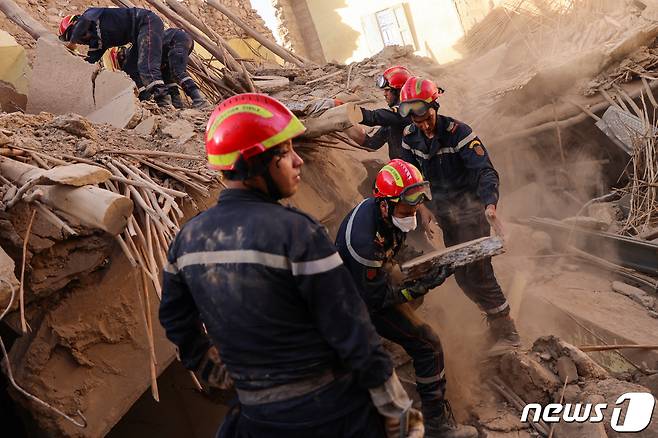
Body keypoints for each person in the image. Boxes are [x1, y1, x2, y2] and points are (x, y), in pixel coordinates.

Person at [159, 93, 423, 438]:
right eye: (285, 152)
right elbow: (351, 328)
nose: (298, 161)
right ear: (255, 163)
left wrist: (222, 379)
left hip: (255, 417)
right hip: (328, 412)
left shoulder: (186, 241)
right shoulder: (298, 232)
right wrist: (395, 409)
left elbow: (176, 322)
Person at [336, 159, 478, 438]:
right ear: (385, 203)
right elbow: (376, 300)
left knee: (412, 294)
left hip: (366, 285)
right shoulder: (365, 242)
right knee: (428, 343)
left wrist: (422, 262)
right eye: (406, 207)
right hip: (354, 304)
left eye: (415, 205)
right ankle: (437, 425)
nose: (411, 212)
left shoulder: (383, 213)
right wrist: (424, 284)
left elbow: (394, 250)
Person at [398, 77, 521, 355]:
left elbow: (485, 171)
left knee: (479, 271)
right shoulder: (409, 138)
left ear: (435, 107)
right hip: (445, 214)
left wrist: (490, 205)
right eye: (417, 122)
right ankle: (494, 323)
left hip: (471, 211)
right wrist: (423, 206)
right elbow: (411, 177)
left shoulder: (459, 132)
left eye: (427, 118)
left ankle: (509, 333)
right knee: (462, 276)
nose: (424, 125)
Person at [58, 8, 172, 107]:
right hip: (138, 35)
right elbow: (88, 64)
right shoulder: (97, 44)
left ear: (76, 24)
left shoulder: (92, 13)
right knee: (130, 69)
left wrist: (72, 42)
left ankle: (163, 101)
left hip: (147, 22)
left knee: (146, 64)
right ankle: (146, 99)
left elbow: (85, 20)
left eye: (74, 35)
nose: (80, 41)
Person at [111, 28, 208, 109]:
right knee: (168, 76)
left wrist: (147, 99)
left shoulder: (132, 58)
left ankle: (199, 100)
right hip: (178, 41)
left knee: (178, 71)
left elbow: (137, 77)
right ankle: (177, 104)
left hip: (174, 41)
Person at [352, 66, 414, 159]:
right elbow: (372, 143)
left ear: (399, 91)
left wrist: (347, 111)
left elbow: (374, 117)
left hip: (416, 172)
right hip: (401, 170)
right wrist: (347, 126)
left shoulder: (406, 112)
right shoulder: (392, 121)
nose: (384, 94)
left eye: (387, 90)